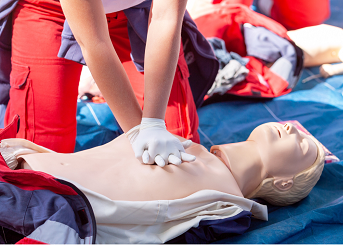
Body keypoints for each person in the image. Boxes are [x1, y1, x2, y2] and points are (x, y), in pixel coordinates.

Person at [1, 121, 325, 243]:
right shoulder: (182, 139)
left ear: (283, 183)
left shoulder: (227, 208)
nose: (295, 129)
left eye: (303, 146)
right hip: (15, 166)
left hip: (38, 209)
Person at [1, 0, 219, 167]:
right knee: (37, 159)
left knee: (179, 149)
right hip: (50, 10)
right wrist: (136, 131)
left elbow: (165, 18)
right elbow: (94, 41)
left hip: (139, 11)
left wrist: (153, 124)